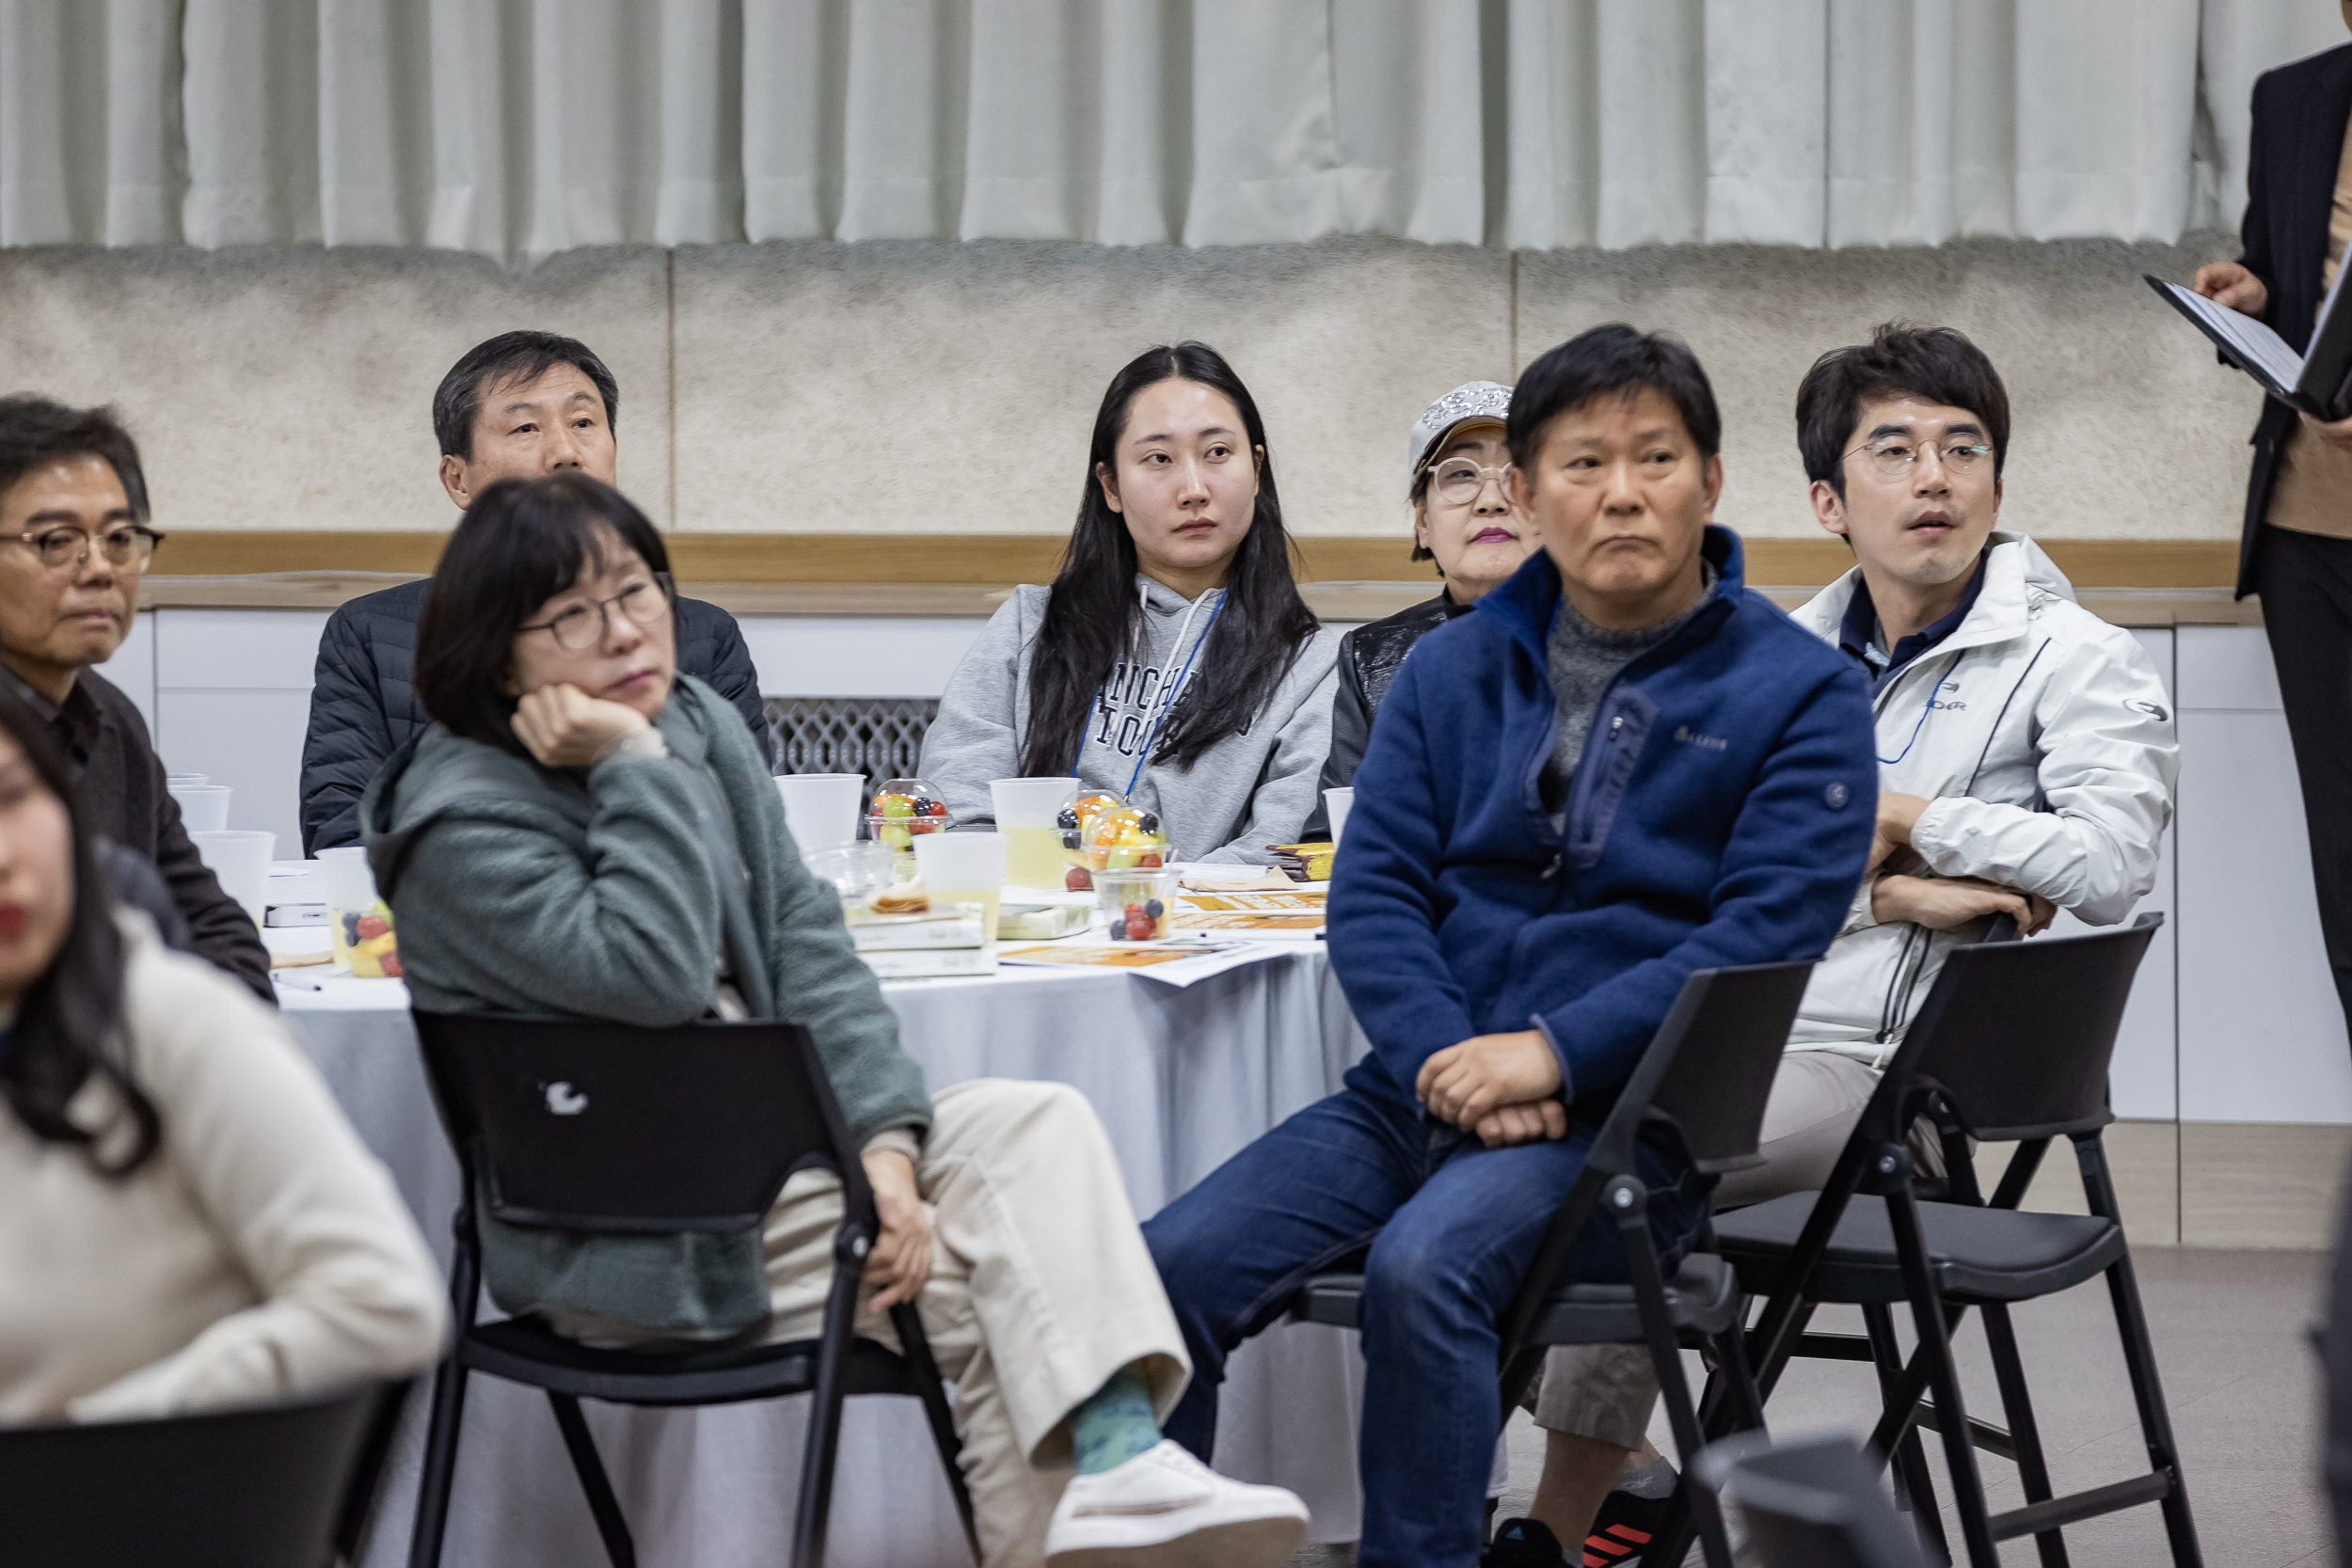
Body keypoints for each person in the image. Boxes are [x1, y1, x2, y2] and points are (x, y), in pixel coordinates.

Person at [358, 472, 1310, 1568]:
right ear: (496, 655)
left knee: (1032, 1120)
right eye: (573, 615)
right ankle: (1112, 1465)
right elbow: (654, 974)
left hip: (776, 1164)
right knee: (987, 1283)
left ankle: (1118, 1476)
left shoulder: (692, 725)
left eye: (639, 591)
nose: (626, 631)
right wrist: (632, 769)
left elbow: (811, 953)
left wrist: (886, 1155)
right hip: (627, 1225)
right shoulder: (459, 822)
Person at [1141, 325, 1880, 1568]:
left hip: (1633, 1124)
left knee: (1423, 1272)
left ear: (1710, 477)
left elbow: (1758, 939)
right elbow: (1370, 893)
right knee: (1162, 1270)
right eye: (1583, 461)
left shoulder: (1800, 691)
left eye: (1656, 456)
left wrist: (1544, 1058)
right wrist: (1452, 1057)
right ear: (1533, 490)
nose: (1624, 490)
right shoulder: (1449, 669)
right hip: (1417, 1091)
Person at [1501, 324, 2178, 1568]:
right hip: (1720, 1021)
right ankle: (1609, 1477)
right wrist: (1895, 892)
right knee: (1481, 1147)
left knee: (1619, 1175)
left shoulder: (2076, 658)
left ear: (1997, 484)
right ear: (1827, 498)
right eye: (1895, 449)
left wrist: (1910, 816)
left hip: (1892, 1071)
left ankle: (1543, 1531)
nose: (1933, 477)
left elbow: (2108, 863)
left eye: (1963, 448)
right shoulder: (1766, 659)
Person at [0, 686, 444, 1422]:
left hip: (102, 1508)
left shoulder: (176, 1023)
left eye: (16, 797)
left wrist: (91, 1438)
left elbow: (385, 1300)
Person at [299, 330, 765, 855]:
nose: (565, 452)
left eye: (584, 423)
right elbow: (341, 840)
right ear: (458, 480)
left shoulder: (702, 636)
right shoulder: (369, 634)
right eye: (525, 427)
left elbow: (751, 842)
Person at [918, 342, 1341, 864]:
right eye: (1158, 459)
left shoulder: (1315, 666)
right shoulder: (1031, 625)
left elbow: (1280, 853)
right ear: (1111, 486)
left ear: (1256, 469)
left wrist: (1141, 901)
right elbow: (961, 807)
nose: (1193, 488)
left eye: (1217, 453)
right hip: (1030, 926)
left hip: (1201, 936)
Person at [2192, 14, 2352, 1044]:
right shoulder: (2291, 99)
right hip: (2306, 530)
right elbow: (2284, 281)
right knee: (2342, 856)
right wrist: (2251, 294)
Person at [0, 396, 270, 1003]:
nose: (99, 569)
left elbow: (216, 927)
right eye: (56, 541)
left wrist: (210, 1052)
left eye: (121, 538)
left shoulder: (108, 714)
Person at [1302, 380, 1536, 837]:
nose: (1491, 500)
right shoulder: (1372, 655)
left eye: (1518, 473)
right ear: (1423, 522)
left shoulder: (1609, 640)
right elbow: (1328, 840)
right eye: (1460, 474)